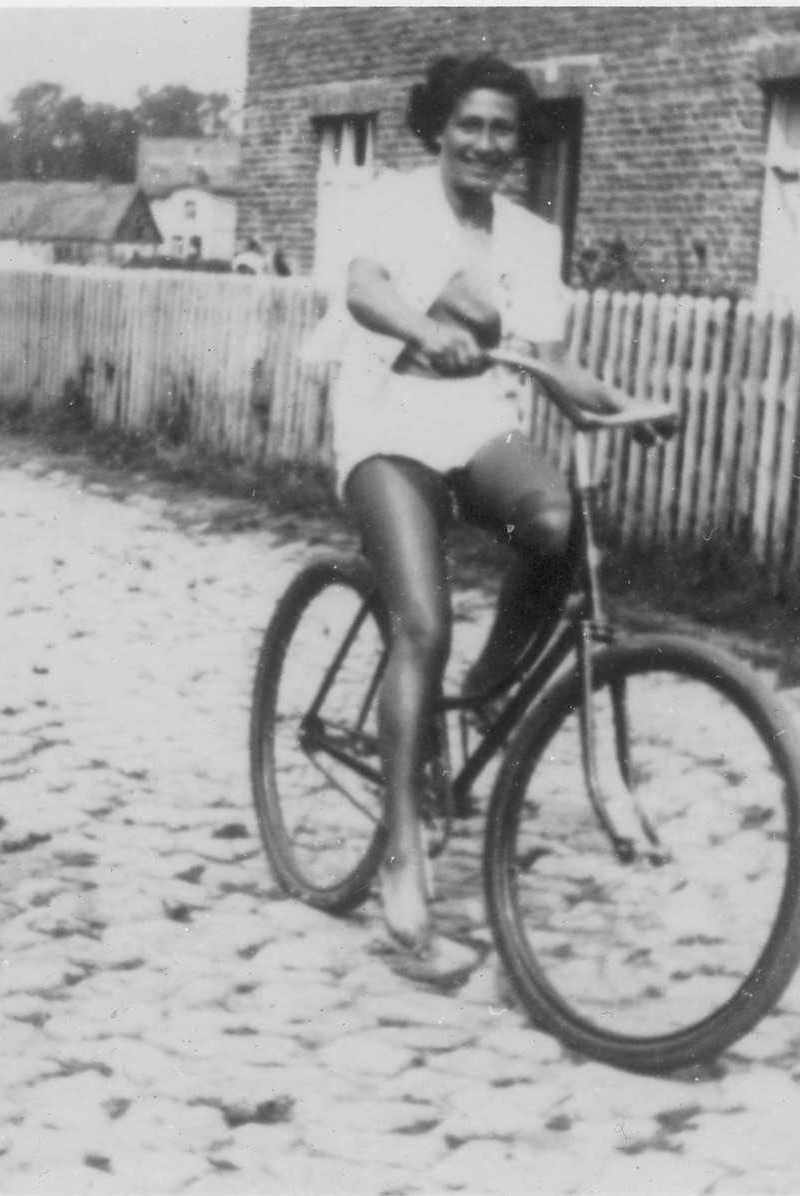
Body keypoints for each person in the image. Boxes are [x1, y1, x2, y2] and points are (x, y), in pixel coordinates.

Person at [310, 53, 655, 954]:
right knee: (421, 620)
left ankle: (477, 698)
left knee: (554, 530)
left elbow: (553, 361)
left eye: (504, 130)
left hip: (475, 424)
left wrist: (622, 404)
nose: (487, 144)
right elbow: (363, 286)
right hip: (388, 422)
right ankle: (400, 852)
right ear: (440, 128)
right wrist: (427, 328)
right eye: (471, 125)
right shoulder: (392, 199)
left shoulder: (530, 239)